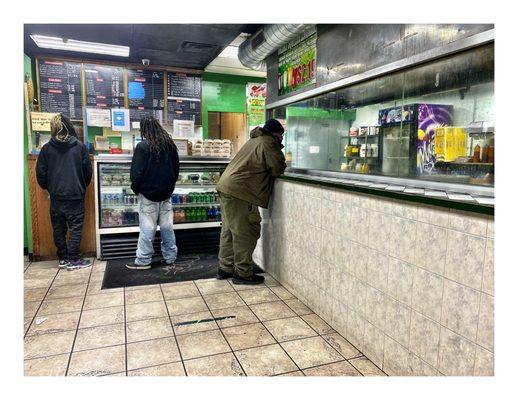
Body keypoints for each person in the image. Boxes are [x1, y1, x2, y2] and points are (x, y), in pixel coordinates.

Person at [216, 119, 287, 285]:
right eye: (281, 137)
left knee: (229, 232)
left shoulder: (254, 140)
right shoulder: (268, 142)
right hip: (241, 191)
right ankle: (242, 273)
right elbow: (276, 168)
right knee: (245, 233)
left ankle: (225, 268)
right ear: (276, 135)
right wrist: (279, 150)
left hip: (227, 188)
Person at [36, 114, 92, 270]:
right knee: (75, 228)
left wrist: (50, 188)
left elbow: (40, 174)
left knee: (58, 229)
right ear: (70, 126)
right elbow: (88, 172)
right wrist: (81, 186)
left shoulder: (46, 148)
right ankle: (74, 259)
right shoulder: (79, 147)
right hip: (75, 195)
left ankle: (63, 259)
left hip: (56, 197)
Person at [126, 116, 180, 270]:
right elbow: (176, 170)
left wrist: (136, 189)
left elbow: (136, 173)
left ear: (143, 130)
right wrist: (170, 187)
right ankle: (170, 257)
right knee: (167, 227)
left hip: (148, 194)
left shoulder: (143, 146)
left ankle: (143, 260)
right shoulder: (170, 145)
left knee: (148, 229)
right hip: (166, 194)